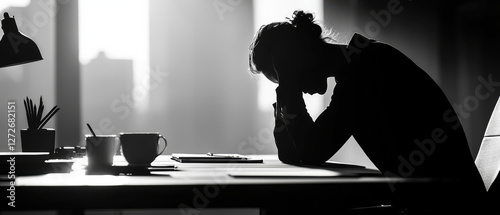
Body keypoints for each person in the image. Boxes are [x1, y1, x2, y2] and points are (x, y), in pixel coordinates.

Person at [249, 10, 486, 214]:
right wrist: (285, 91)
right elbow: (291, 153)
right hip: (433, 200)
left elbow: (310, 151)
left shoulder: (364, 70)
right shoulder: (361, 62)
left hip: (446, 205)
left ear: (299, 58)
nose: (294, 87)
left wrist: (288, 86)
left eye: (286, 76)